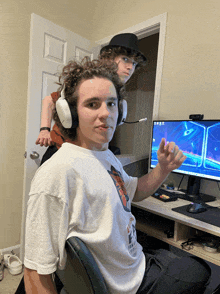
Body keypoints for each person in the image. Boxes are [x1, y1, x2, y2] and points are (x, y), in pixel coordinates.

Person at [24, 58, 211, 294]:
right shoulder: (58, 172)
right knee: (201, 270)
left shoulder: (105, 155)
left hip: (134, 263)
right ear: (70, 113)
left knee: (175, 257)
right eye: (92, 104)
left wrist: (163, 169)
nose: (106, 113)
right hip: (128, 287)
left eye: (111, 103)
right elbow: (34, 276)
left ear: (121, 110)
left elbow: (135, 191)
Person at [36, 33, 146, 164]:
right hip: (61, 151)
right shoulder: (87, 81)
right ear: (110, 58)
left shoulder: (117, 92)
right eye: (125, 59)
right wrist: (44, 131)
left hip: (88, 155)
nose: (130, 67)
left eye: (134, 63)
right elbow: (49, 101)